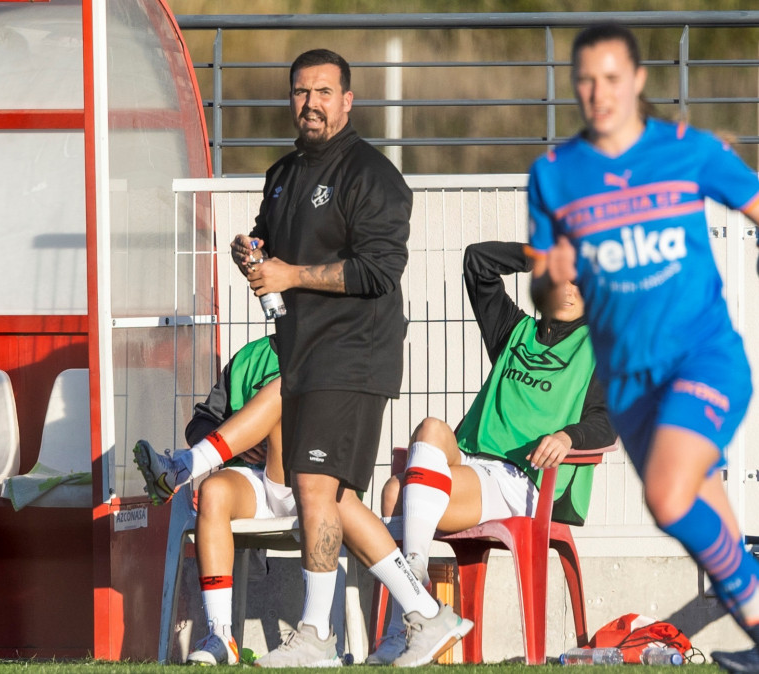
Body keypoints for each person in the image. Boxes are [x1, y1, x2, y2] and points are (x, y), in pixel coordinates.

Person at [526, 23, 759, 673]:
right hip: (629, 384)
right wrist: (552, 276)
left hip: (703, 358)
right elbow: (549, 293)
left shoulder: (689, 151)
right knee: (707, 518)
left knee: (667, 496)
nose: (597, 93)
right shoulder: (553, 175)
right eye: (584, 80)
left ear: (637, 81)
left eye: (610, 79)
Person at [229, 48, 471, 668]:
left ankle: (315, 636)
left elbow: (379, 271)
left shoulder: (373, 175)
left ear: (347, 100)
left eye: (323, 93)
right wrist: (254, 253)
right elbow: (272, 245)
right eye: (300, 93)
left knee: (313, 486)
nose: (310, 104)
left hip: (353, 354)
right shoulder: (282, 172)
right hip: (302, 356)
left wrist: (290, 272)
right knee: (333, 497)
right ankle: (423, 613)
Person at [366, 240, 616, 665]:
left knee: (397, 493)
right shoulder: (513, 332)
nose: (570, 290)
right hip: (471, 464)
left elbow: (607, 421)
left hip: (524, 480)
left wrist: (569, 436)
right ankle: (409, 622)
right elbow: (477, 261)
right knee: (425, 436)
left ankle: (414, 616)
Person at [133, 335, 294, 665]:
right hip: (251, 482)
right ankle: (221, 635)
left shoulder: (330, 349)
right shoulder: (251, 355)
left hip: (302, 482)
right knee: (212, 491)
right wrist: (236, 435)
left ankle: (178, 468)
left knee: (282, 398)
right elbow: (201, 422)